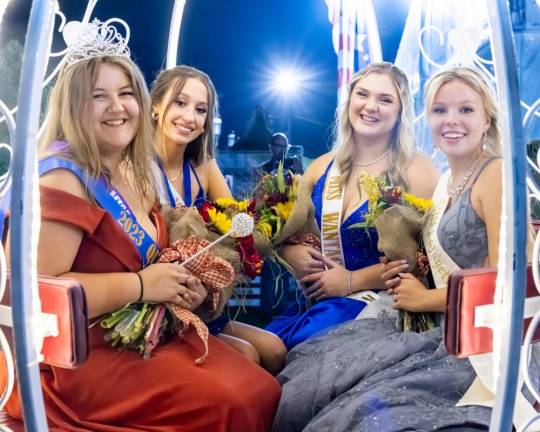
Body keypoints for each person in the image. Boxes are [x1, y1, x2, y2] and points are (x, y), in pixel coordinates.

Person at [0, 33, 280, 430]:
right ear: (72, 106)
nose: (116, 108)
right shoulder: (61, 177)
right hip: (76, 360)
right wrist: (142, 286)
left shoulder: (129, 175)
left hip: (142, 334)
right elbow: (36, 299)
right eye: (98, 96)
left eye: (126, 93)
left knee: (262, 389)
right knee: (232, 402)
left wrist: (188, 286)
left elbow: (152, 262)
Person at [271, 67, 539, 431]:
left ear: (487, 118)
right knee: (311, 370)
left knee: (363, 410)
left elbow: (507, 284)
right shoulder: (449, 181)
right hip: (438, 323)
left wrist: (421, 299)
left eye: (466, 110)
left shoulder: (495, 173)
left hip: (483, 344)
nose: (451, 121)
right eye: (440, 110)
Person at [265, 62, 439, 350]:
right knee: (261, 345)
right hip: (313, 304)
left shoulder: (417, 170)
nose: (371, 106)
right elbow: (280, 230)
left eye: (385, 100)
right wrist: (289, 252)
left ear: (400, 112)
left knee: (295, 346)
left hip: (376, 309)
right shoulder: (322, 167)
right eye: (363, 95)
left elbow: (427, 261)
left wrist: (351, 281)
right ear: (349, 101)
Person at [149, 65, 287, 375]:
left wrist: (270, 215)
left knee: (276, 349)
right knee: (248, 358)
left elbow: (237, 223)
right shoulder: (137, 167)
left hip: (200, 295)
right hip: (161, 302)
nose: (190, 117)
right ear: (156, 106)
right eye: (179, 103)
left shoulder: (203, 165)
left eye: (201, 110)